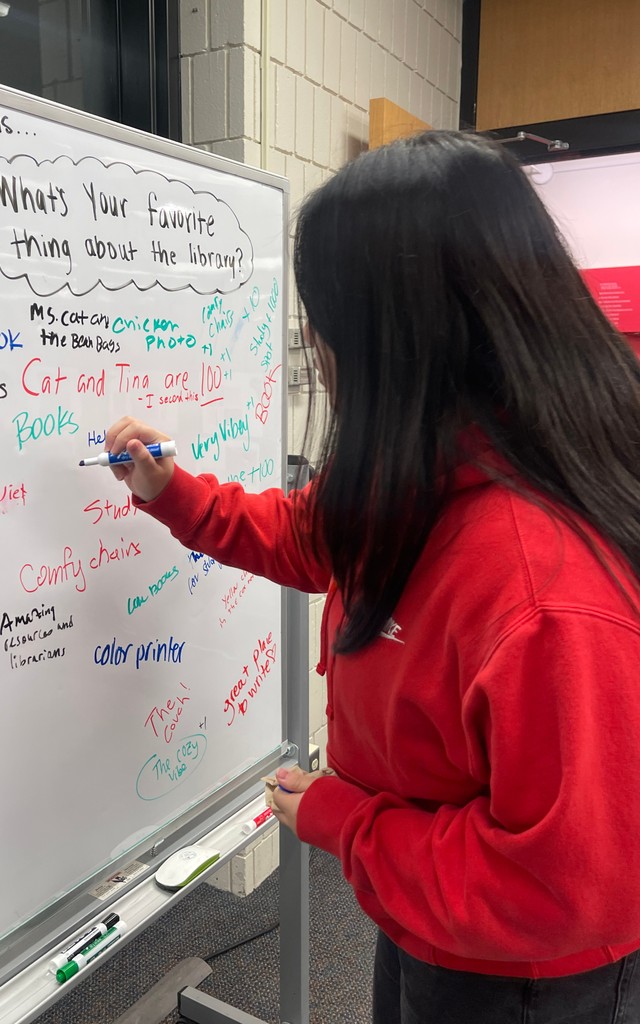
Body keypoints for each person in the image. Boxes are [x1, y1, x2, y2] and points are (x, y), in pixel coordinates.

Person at [105, 130, 640, 1023]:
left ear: (400, 341)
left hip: (527, 974)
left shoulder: (545, 592)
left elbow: (553, 888)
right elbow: (308, 537)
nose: (317, 350)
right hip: (424, 902)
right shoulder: (429, 465)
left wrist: (347, 821)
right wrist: (174, 494)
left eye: (324, 327)